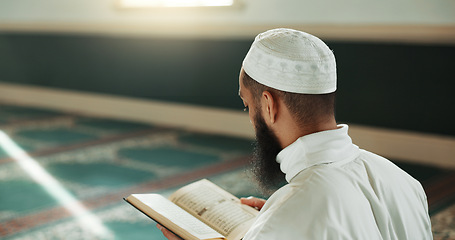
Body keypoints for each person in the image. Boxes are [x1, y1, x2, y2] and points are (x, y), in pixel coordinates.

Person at [157, 28, 433, 239]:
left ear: (268, 104)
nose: (251, 119)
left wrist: (278, 221)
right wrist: (275, 218)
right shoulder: (403, 181)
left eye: (247, 106)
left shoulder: (289, 216)